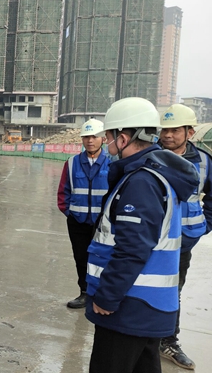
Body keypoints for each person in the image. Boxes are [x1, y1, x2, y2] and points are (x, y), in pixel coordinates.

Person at [85, 97, 198, 373]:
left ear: (123, 138)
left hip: (129, 305)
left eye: (108, 137)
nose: (106, 143)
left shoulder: (141, 182)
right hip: (145, 307)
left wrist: (107, 296)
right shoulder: (152, 175)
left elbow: (133, 249)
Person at [157, 104, 212, 370]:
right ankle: (141, 338)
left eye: (175, 130)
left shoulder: (204, 162)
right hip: (148, 239)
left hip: (182, 242)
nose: (168, 135)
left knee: (173, 292)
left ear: (189, 132)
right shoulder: (148, 155)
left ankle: (168, 341)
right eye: (165, 130)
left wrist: (204, 225)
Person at [57, 119, 110, 309]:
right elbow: (63, 192)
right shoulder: (72, 163)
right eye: (86, 137)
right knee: (81, 258)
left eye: (94, 136)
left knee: (103, 258)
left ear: (103, 139)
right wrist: (70, 212)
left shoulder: (112, 163)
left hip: (103, 224)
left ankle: (102, 294)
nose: (90, 141)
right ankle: (85, 292)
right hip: (77, 222)